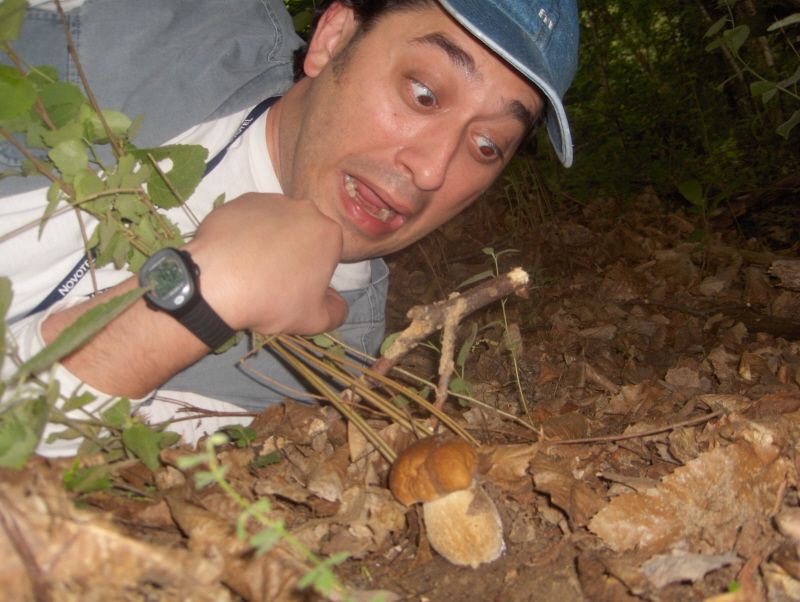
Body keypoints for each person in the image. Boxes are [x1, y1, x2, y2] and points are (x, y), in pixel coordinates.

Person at [0, 0, 579, 456]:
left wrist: (201, 300)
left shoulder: (319, 367)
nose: (431, 170)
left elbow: (33, 467)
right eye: (424, 94)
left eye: (487, 145)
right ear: (334, 38)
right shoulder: (174, 22)